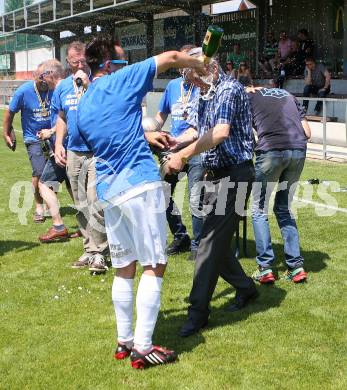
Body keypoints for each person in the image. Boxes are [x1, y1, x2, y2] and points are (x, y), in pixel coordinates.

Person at [77, 36, 205, 368]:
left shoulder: (86, 99)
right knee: (154, 264)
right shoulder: (120, 78)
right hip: (139, 183)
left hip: (110, 189)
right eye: (121, 61)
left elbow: (101, 137)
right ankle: (144, 346)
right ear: (108, 65)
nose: (127, 65)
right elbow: (173, 56)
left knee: (124, 267)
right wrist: (198, 64)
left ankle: (124, 341)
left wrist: (144, 135)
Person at [165, 49, 258, 338]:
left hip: (236, 175)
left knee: (206, 246)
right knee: (213, 241)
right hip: (215, 175)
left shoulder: (229, 88)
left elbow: (219, 133)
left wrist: (183, 157)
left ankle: (197, 313)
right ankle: (246, 288)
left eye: (194, 79)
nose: (193, 86)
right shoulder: (205, 93)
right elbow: (197, 129)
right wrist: (174, 143)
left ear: (208, 69)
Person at [247, 86, 311, 284]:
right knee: (284, 208)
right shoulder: (290, 95)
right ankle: (296, 266)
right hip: (298, 150)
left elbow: (245, 132)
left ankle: (265, 268)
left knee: (259, 209)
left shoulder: (249, 96)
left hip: (271, 150)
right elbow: (307, 132)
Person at [54, 41, 109, 274]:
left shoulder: (97, 83)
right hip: (74, 151)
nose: (78, 65)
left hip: (96, 150)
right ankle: (89, 249)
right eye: (74, 62)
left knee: (95, 202)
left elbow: (105, 109)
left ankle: (101, 253)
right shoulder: (63, 87)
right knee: (80, 204)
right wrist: (58, 143)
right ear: (68, 62)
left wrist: (87, 86)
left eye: (82, 61)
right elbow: (62, 117)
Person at [155, 44, 205, 260]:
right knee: (162, 193)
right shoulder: (173, 86)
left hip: (197, 148)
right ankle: (180, 235)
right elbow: (160, 116)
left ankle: (199, 245)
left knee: (196, 197)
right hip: (172, 149)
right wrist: (151, 132)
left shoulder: (203, 85)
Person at [3, 62, 56, 223]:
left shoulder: (55, 89)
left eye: (48, 75)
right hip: (33, 138)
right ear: (35, 76)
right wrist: (6, 133)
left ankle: (49, 203)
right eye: (41, 76)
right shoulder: (24, 91)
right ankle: (39, 206)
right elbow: (10, 112)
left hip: (53, 136)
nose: (45, 80)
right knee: (39, 172)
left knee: (53, 173)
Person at [37, 59, 74, 243]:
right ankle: (89, 227)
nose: (42, 80)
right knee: (74, 189)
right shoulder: (64, 87)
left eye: (42, 76)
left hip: (65, 149)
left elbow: (68, 117)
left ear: (51, 74)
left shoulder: (62, 88)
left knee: (44, 184)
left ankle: (58, 226)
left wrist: (51, 132)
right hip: (67, 148)